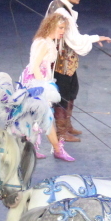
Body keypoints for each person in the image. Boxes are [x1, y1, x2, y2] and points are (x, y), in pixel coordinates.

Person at [46, 0, 111, 144]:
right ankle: (61, 132)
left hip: (66, 60)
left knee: (72, 90)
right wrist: (93, 39)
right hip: (61, 61)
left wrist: (93, 39)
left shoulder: (56, 4)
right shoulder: (63, 13)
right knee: (63, 96)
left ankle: (66, 125)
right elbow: (75, 41)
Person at [22, 13, 71, 161]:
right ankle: (57, 149)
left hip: (40, 80)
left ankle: (30, 149)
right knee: (46, 117)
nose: (62, 31)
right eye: (60, 28)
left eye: (64, 28)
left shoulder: (46, 41)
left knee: (37, 118)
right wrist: (43, 87)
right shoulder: (44, 43)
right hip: (37, 82)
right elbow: (35, 66)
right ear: (51, 26)